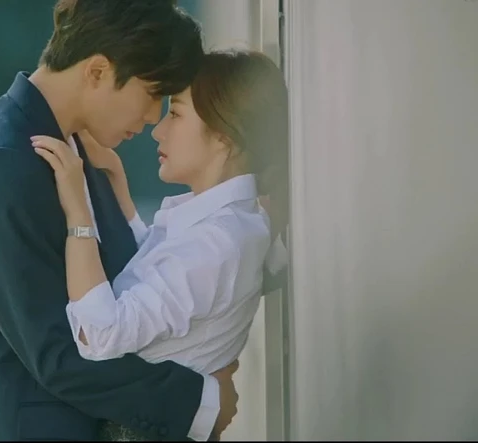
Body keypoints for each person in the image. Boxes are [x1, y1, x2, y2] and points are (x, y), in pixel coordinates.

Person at [0, 0, 241, 441]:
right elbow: (59, 354)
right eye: (151, 93)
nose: (152, 118)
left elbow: (127, 293)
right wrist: (199, 400)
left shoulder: (80, 149)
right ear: (98, 71)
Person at [31, 49, 290, 440]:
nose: (158, 131)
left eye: (177, 114)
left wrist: (78, 214)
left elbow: (101, 335)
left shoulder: (216, 243)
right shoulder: (226, 225)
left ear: (225, 138)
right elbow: (165, 284)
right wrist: (119, 188)